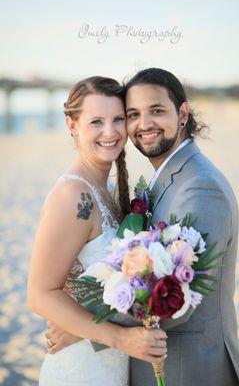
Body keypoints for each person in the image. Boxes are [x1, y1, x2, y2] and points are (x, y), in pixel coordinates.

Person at [43, 68, 239, 385]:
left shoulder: (199, 188)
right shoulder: (166, 180)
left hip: (187, 370)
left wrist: (80, 327)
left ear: (182, 114)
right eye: (133, 114)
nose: (144, 124)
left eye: (156, 111)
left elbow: (180, 297)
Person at [27, 76, 167, 386]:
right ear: (72, 125)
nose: (110, 131)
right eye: (96, 121)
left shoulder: (109, 191)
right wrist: (119, 337)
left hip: (109, 365)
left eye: (118, 118)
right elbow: (39, 295)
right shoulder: (73, 195)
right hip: (81, 371)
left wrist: (79, 328)